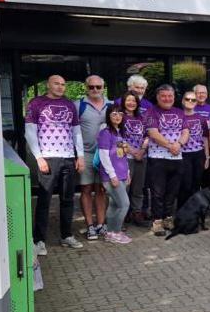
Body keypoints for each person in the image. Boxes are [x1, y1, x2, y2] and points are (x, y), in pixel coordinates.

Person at [25, 75, 84, 254]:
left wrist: (79, 156)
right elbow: (29, 132)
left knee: (68, 200)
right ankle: (39, 240)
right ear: (48, 85)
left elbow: (76, 132)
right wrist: (39, 158)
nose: (60, 87)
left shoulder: (69, 105)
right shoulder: (36, 103)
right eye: (56, 84)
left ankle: (66, 236)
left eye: (63, 84)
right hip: (48, 158)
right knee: (44, 200)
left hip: (68, 158)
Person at [145, 84, 190, 236]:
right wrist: (170, 145)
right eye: (163, 96)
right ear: (158, 97)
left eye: (170, 96)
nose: (167, 99)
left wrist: (179, 144)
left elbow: (185, 131)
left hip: (177, 157)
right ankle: (157, 221)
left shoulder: (179, 112)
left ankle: (167, 218)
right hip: (158, 158)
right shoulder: (151, 112)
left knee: (172, 192)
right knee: (158, 192)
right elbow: (153, 133)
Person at [74, 75, 111, 241]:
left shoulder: (112, 105)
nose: (95, 90)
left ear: (103, 87)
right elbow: (72, 131)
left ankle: (101, 224)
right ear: (86, 87)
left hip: (106, 155)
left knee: (102, 190)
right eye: (91, 87)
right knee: (87, 189)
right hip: (87, 154)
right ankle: (90, 226)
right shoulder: (78, 105)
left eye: (98, 87)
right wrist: (78, 155)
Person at [97, 104, 132, 244]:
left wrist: (127, 172)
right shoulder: (105, 133)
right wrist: (112, 175)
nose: (117, 116)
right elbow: (103, 156)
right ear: (108, 116)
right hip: (112, 176)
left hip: (122, 174)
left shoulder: (120, 132)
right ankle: (116, 232)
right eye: (114, 114)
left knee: (114, 205)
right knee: (124, 204)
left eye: (120, 114)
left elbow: (123, 154)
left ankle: (110, 232)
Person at [121, 90, 149, 227]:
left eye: (134, 101)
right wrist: (133, 151)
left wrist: (142, 151)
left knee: (139, 187)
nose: (131, 103)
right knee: (125, 187)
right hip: (125, 157)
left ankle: (136, 212)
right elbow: (117, 138)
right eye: (128, 100)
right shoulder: (119, 117)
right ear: (124, 102)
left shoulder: (142, 118)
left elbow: (147, 136)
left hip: (141, 157)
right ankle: (123, 213)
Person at [180, 91, 210, 203]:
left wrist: (207, 157)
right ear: (183, 101)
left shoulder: (201, 118)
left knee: (197, 182)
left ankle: (194, 210)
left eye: (193, 100)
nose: (190, 102)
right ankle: (183, 209)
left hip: (198, 153)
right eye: (188, 99)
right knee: (186, 183)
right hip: (183, 154)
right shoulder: (178, 116)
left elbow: (205, 137)